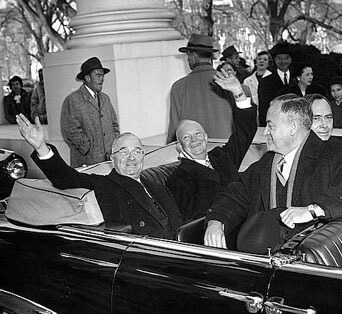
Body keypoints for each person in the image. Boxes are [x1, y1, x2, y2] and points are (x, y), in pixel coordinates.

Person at [204, 93, 342, 254]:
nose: (265, 132)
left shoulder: (334, 153)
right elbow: (235, 194)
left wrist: (313, 210)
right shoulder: (267, 162)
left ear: (293, 127)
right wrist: (216, 221)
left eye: (271, 125)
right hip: (264, 263)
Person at [16, 113, 182, 240]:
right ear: (112, 159)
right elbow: (65, 178)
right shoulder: (104, 185)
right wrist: (41, 147)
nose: (131, 158)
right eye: (123, 152)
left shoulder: (156, 186)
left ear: (143, 155)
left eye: (136, 152)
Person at [166, 69, 257, 229]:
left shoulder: (222, 157)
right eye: (186, 137)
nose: (194, 140)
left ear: (206, 137)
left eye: (197, 133)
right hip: (223, 234)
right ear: (179, 147)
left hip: (250, 222)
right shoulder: (178, 180)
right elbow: (194, 222)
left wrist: (238, 92)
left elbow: (246, 131)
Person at [167, 34, 239, 143]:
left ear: (194, 56)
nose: (187, 60)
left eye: (188, 56)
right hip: (226, 149)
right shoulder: (227, 82)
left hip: (194, 151)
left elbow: (174, 129)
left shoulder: (178, 87)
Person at [61, 56, 120, 167]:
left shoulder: (105, 99)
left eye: (102, 75)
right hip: (87, 162)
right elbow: (71, 131)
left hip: (109, 161)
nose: (102, 79)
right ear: (87, 78)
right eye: (98, 75)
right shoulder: (73, 100)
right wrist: (87, 148)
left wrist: (114, 146)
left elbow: (114, 125)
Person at [258, 42, 293, 127]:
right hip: (275, 125)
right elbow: (263, 110)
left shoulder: (298, 79)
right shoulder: (265, 82)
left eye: (286, 58)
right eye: (279, 58)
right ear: (275, 60)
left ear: (291, 59)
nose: (283, 61)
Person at [243, 51, 272, 125]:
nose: (262, 61)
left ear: (268, 64)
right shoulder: (247, 81)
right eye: (259, 59)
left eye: (265, 60)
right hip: (252, 114)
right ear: (255, 62)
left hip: (269, 113)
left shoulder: (273, 79)